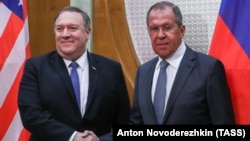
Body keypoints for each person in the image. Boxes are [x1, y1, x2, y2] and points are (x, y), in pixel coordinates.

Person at [18, 6, 131, 141]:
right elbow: (31, 115)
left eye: (72, 28)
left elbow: (124, 124)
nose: (65, 34)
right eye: (60, 29)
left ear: (87, 33)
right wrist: (73, 137)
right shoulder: (36, 67)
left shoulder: (111, 69)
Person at [129, 1, 235, 125]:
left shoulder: (209, 69)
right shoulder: (143, 72)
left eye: (167, 27)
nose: (160, 35)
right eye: (154, 29)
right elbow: (136, 122)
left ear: (182, 30)